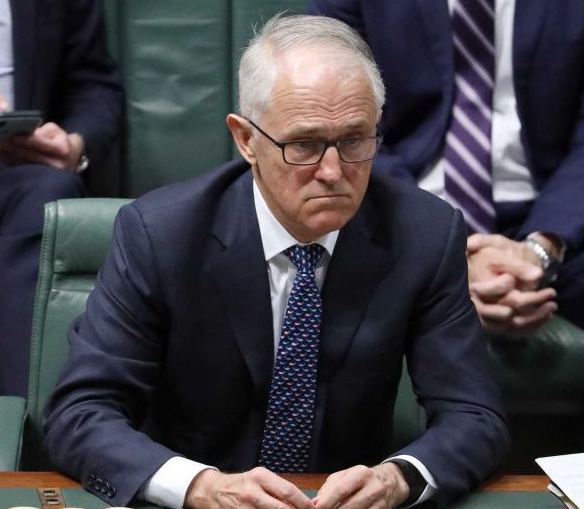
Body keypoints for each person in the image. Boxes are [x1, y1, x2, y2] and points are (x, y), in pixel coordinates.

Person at [43, 14, 509, 509]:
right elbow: (80, 413)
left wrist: (400, 478)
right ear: (246, 140)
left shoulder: (425, 234)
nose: (333, 171)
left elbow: (475, 415)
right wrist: (200, 487)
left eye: (354, 140)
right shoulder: (161, 235)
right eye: (304, 144)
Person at [308, 0, 584, 335]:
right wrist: (449, 255)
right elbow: (335, 120)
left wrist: (540, 249)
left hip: (553, 214)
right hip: (401, 210)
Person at [0, 0, 123, 396]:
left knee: (51, 196)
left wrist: (74, 145)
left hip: (21, 173)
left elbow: (93, 83)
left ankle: (19, 419)